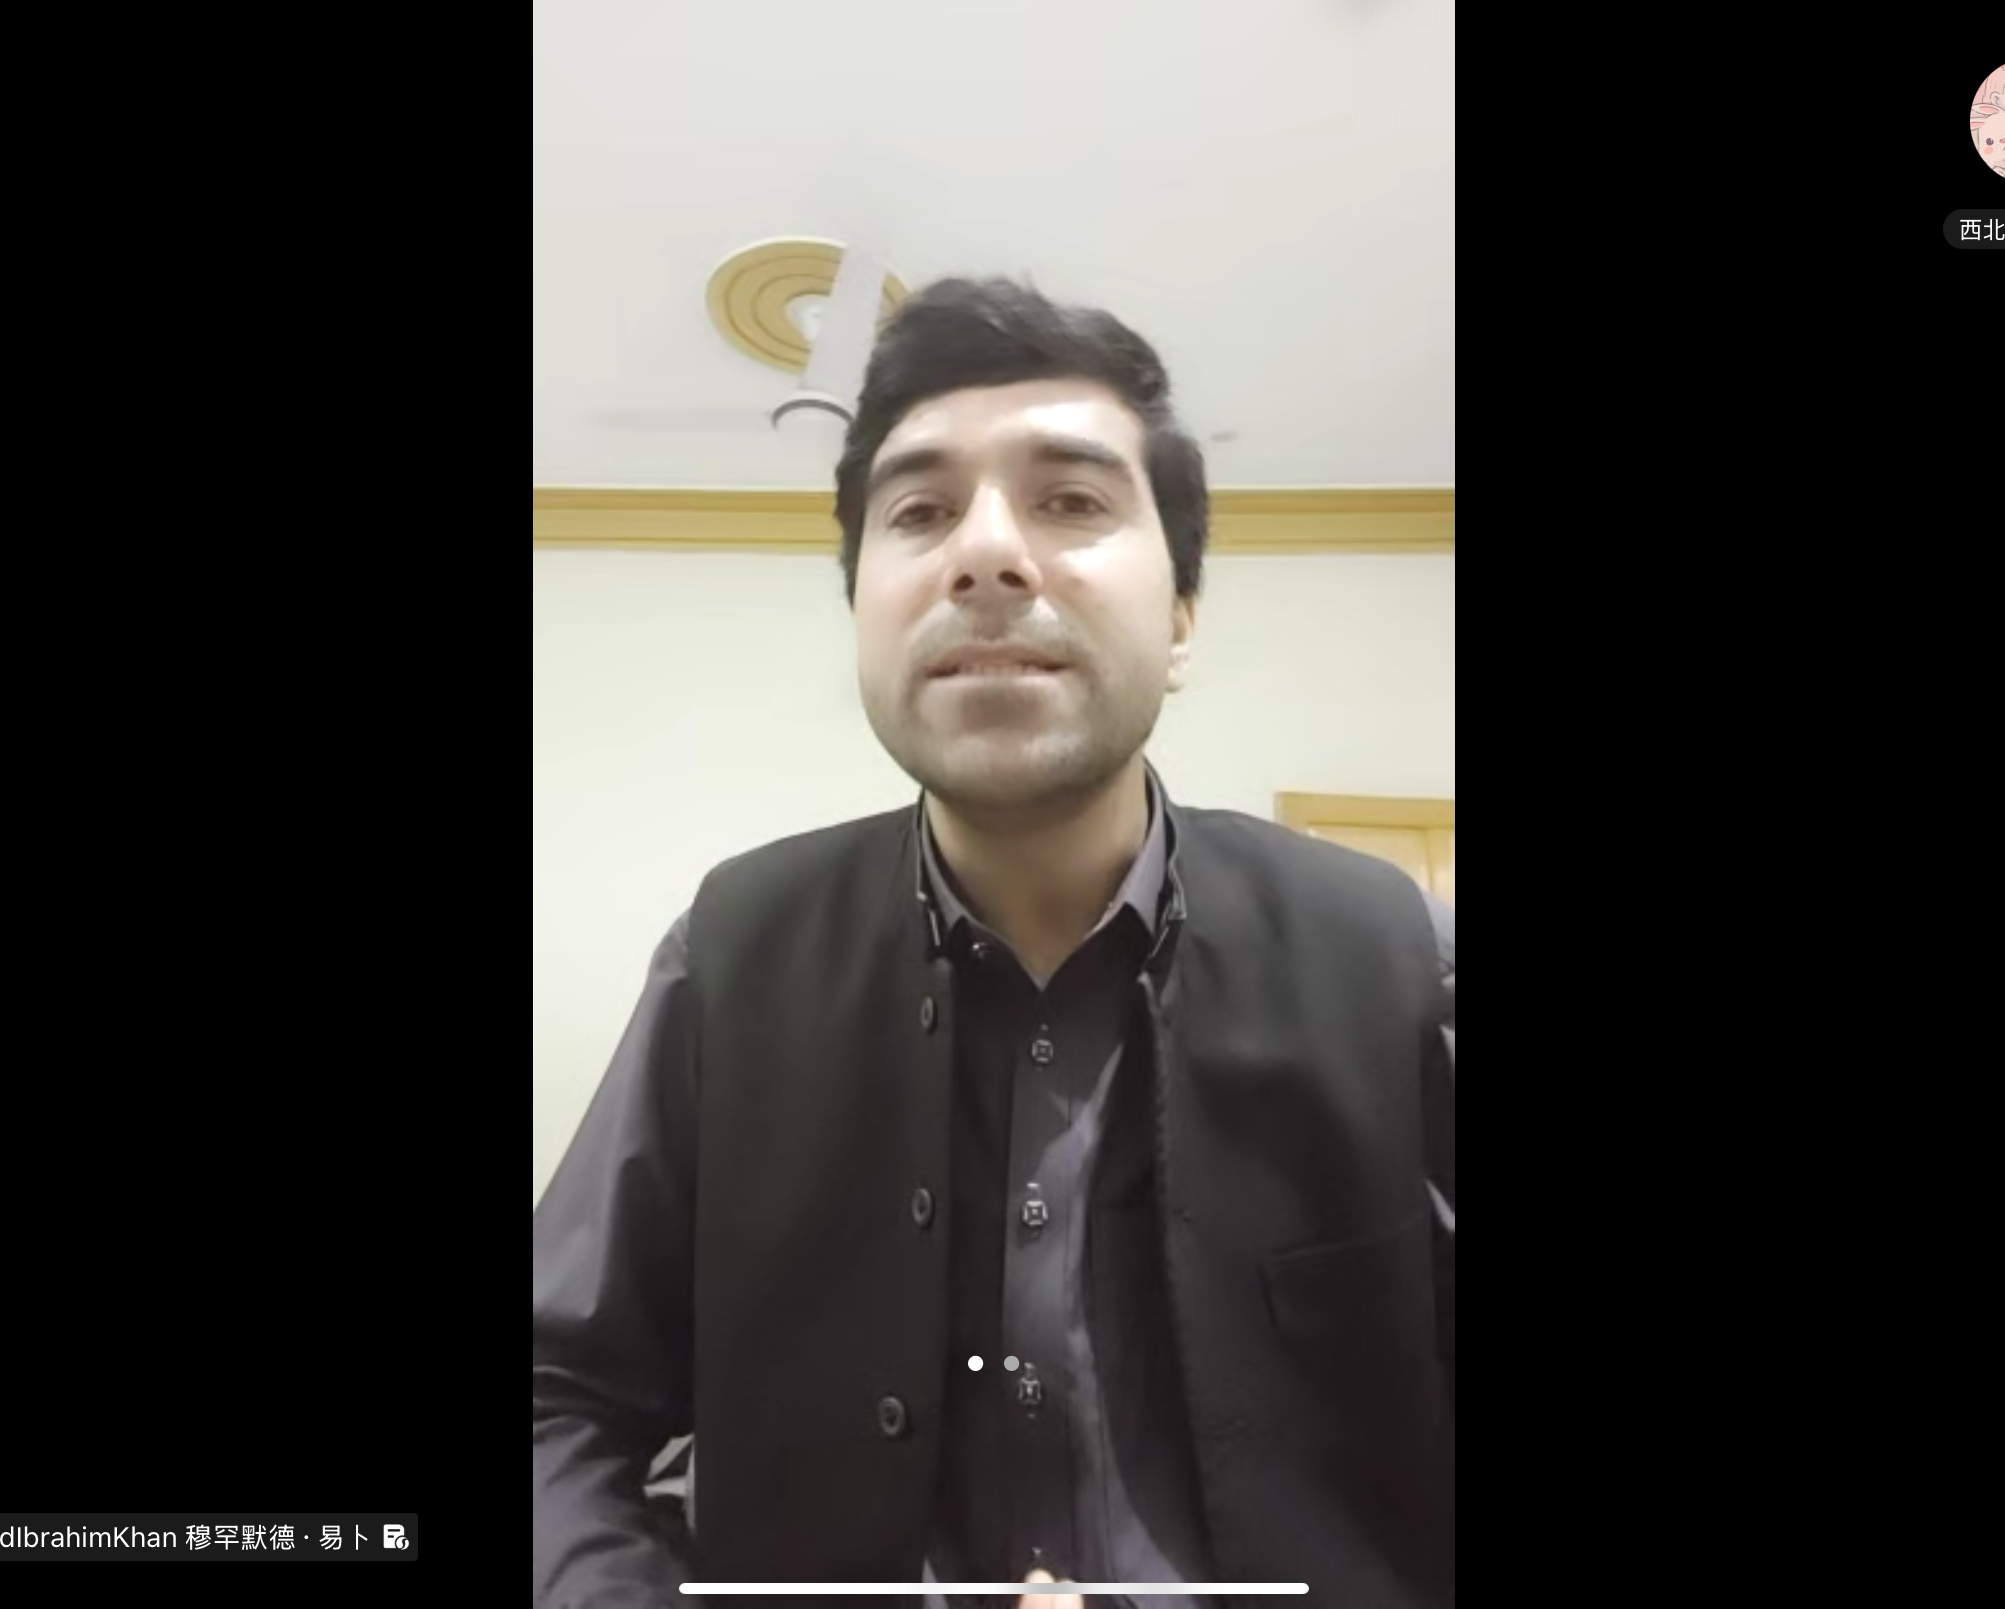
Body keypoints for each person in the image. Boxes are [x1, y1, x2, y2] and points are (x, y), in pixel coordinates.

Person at [533, 277, 1456, 1608]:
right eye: (918, 513)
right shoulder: (728, 958)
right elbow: (557, 1391)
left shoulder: (1399, 960)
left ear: (1181, 618)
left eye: (1070, 500)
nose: (984, 553)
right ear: (861, 609)